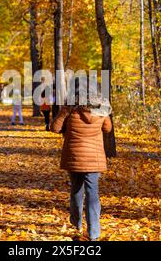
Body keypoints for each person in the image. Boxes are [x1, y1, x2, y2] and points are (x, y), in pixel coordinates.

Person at [50, 85, 112, 241]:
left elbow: (55, 128)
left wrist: (63, 112)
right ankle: (94, 233)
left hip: (74, 157)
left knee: (76, 190)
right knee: (92, 193)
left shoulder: (69, 109)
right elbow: (107, 129)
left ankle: (76, 223)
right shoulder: (101, 110)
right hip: (94, 158)